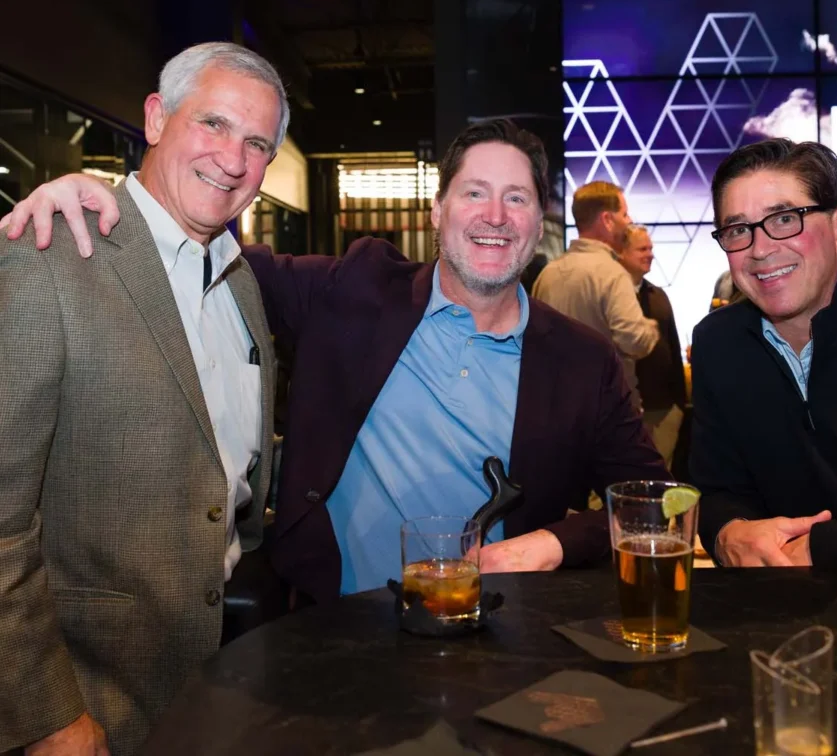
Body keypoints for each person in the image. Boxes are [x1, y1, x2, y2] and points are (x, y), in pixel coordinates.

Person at [4, 119, 671, 604]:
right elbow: (198, 242)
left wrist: (554, 544)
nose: (493, 215)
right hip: (329, 634)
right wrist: (101, 201)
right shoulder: (354, 289)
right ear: (438, 210)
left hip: (501, 640)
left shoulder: (583, 361)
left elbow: (660, 502)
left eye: (517, 198)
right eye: (473, 193)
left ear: (538, 221)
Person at [0, 42, 285, 755]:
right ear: (156, 118)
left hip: (214, 676)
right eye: (213, 123)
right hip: (87, 701)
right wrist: (47, 716)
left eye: (256, 142)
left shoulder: (241, 279)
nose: (232, 157)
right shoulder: (50, 257)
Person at [690, 138, 837, 570]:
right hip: (773, 616)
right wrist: (729, 531)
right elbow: (713, 491)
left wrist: (822, 546)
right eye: (737, 230)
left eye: (785, 219)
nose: (760, 249)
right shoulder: (719, 343)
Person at [531, 180, 659, 407]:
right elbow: (633, 340)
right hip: (607, 409)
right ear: (607, 220)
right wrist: (651, 330)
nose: (628, 222)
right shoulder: (612, 273)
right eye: (625, 214)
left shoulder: (548, 275)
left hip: (556, 406)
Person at [618, 225, 686, 467]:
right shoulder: (613, 298)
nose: (650, 254)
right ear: (621, 252)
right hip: (626, 411)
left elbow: (673, 346)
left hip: (665, 409)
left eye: (651, 248)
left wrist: (679, 404)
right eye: (642, 249)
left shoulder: (658, 295)